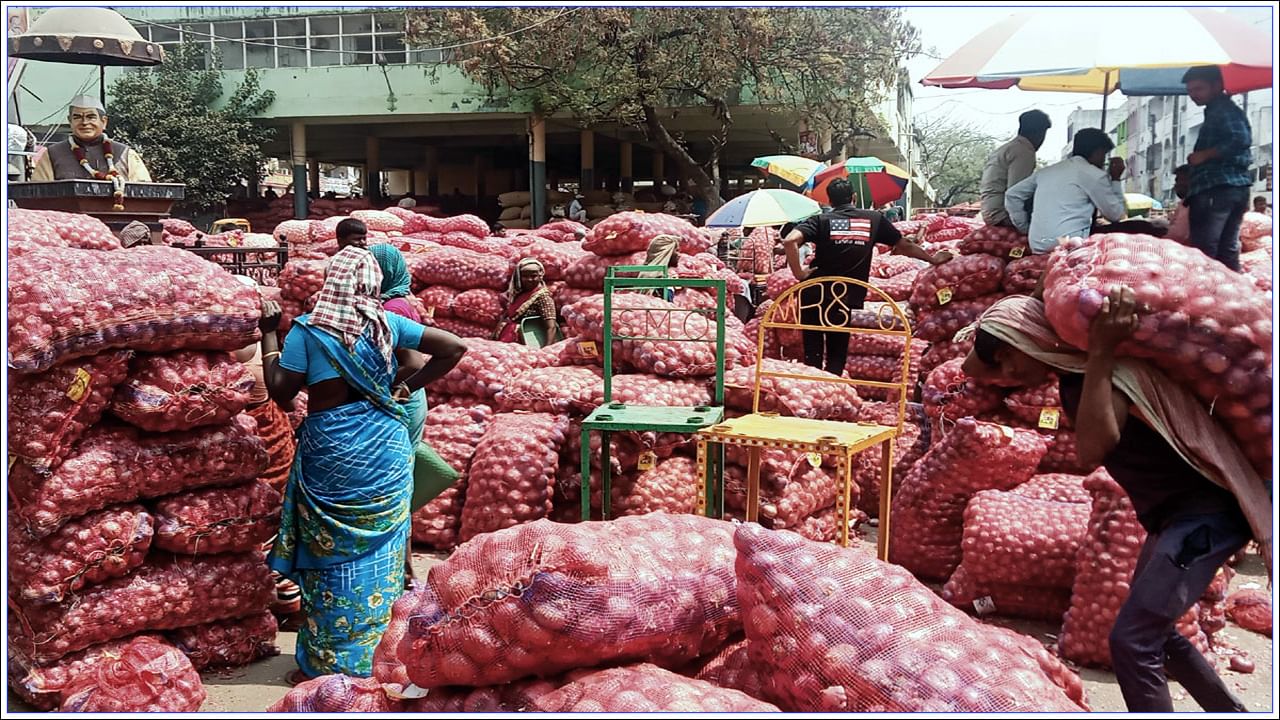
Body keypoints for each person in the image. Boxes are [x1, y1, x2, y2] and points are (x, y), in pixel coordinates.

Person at [959, 291, 1270, 713]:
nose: (1008, 372)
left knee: (1133, 640)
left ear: (1032, 341)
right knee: (1157, 633)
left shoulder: (1095, 376)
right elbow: (973, 365)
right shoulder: (1075, 373)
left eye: (1011, 356)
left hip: (1203, 520)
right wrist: (1033, 303)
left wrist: (1101, 350)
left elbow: (1092, 449)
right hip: (1174, 519)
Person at [261, 244, 467, 683]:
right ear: (372, 284)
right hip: (385, 449)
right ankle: (379, 655)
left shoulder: (308, 333)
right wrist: (407, 387)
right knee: (383, 553)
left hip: (332, 451)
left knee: (329, 553)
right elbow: (453, 347)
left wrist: (268, 336)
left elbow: (281, 392)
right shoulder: (387, 323)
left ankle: (327, 661)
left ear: (330, 281)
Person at [783, 177, 952, 376]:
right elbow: (904, 245)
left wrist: (799, 273)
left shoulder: (820, 220)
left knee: (813, 349)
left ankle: (815, 384)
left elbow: (789, 241)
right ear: (854, 197)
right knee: (837, 351)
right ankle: (832, 387)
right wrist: (932, 259)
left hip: (815, 291)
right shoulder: (873, 219)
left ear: (829, 201)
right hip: (844, 294)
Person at [1005, 128, 1127, 254]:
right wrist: (1116, 179)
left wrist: (1025, 228)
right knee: (1136, 227)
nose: (1104, 161)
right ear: (1097, 152)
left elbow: (1012, 195)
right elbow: (1116, 215)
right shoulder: (1094, 175)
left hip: (1037, 245)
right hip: (1070, 245)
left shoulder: (1047, 172)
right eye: (1103, 155)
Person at [1183, 65, 1252, 272]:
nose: (1193, 95)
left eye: (1199, 89)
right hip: (1231, 188)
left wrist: (1204, 155)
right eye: (1190, 91)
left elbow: (1240, 138)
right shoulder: (1217, 110)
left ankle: (1209, 295)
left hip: (1218, 187)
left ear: (1217, 86)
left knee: (1205, 251)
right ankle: (1233, 296)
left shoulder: (1223, 109)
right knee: (1226, 250)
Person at [31, 96, 152, 183]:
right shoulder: (53, 154)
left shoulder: (126, 154)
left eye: (91, 117)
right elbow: (38, 192)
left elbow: (145, 192)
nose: (84, 123)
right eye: (77, 117)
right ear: (70, 121)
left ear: (104, 122)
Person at [980, 110, 1053, 227]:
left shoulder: (1008, 148)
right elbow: (1016, 193)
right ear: (1040, 133)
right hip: (1001, 214)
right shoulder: (1024, 151)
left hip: (990, 209)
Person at [497, 258, 558, 346]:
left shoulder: (543, 297)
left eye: (533, 276)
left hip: (525, 340)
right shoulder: (518, 293)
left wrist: (546, 349)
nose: (529, 279)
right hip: (508, 336)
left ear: (540, 276)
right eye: (525, 276)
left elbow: (551, 327)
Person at [1165, 165, 1193, 244]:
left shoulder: (1189, 204)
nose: (1176, 185)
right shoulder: (1184, 203)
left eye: (1179, 180)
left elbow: (1178, 235)